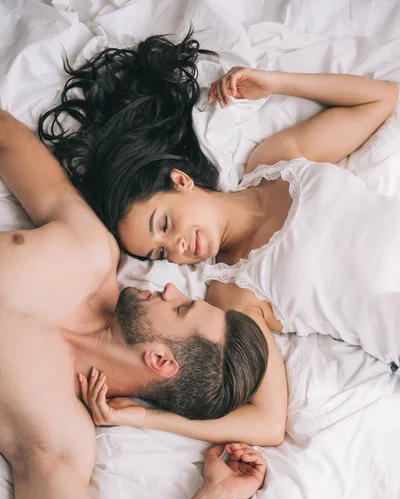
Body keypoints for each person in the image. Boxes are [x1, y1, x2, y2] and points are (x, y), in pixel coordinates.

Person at [0, 108, 270, 499]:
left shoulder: (58, 439)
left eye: (183, 307)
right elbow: (5, 136)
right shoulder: (91, 249)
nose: (168, 286)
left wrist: (217, 496)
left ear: (162, 361)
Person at [39, 31, 400, 371]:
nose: (176, 248)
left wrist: (277, 82)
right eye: (162, 254)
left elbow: (382, 98)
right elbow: (263, 399)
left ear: (180, 181)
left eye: (163, 225)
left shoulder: (276, 163)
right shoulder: (228, 295)